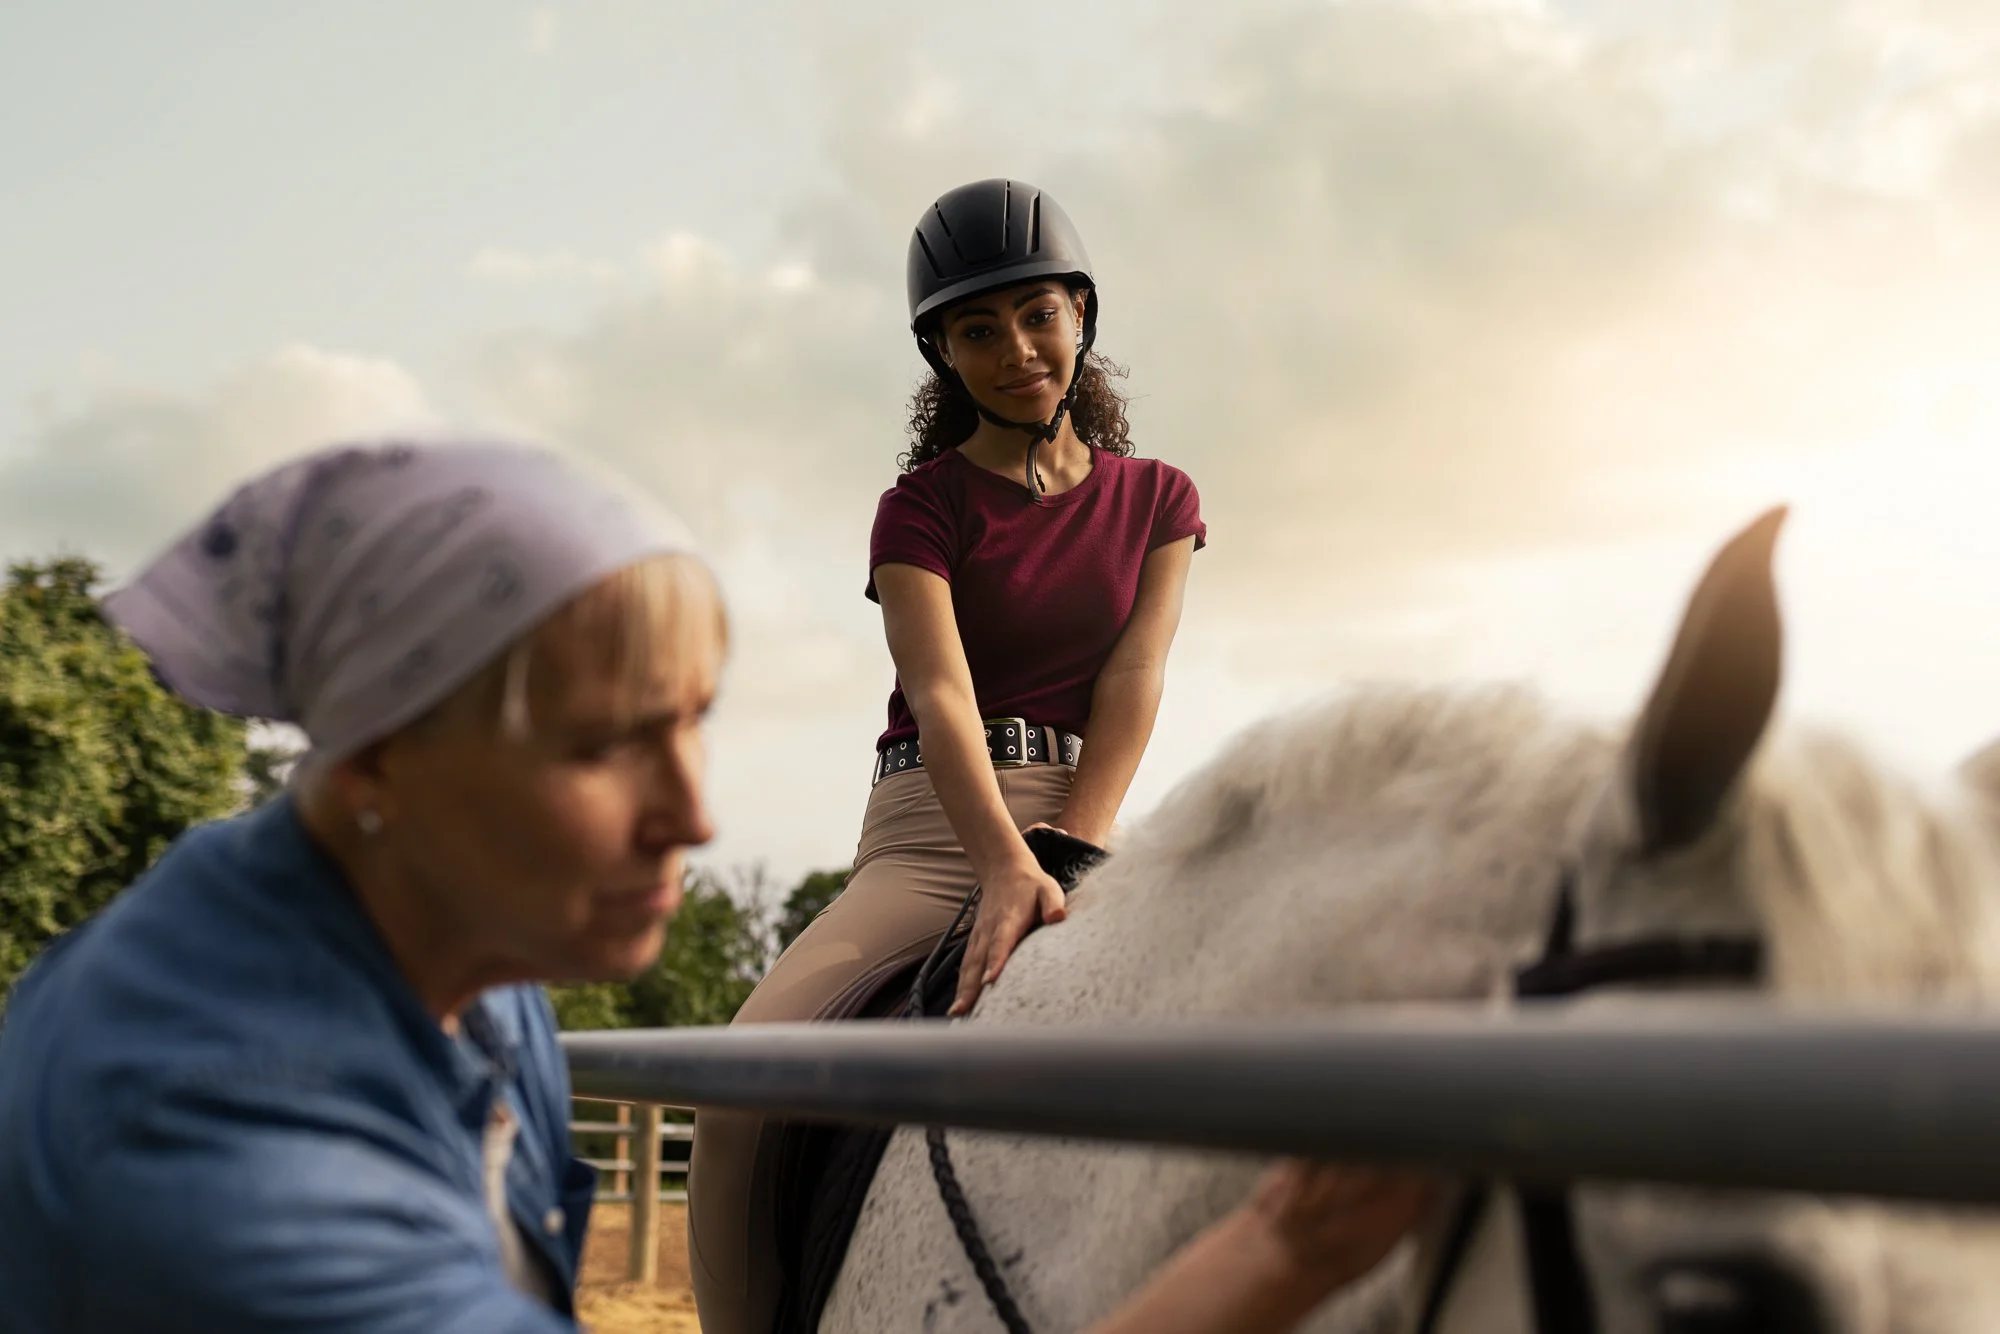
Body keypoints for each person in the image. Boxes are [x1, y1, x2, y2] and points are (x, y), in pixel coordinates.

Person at [0, 438, 726, 1332]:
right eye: (603, 744)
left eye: (696, 718)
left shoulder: (481, 966)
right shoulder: (226, 1162)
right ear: (376, 755)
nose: (695, 819)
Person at [686, 176, 1210, 1329]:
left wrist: (1071, 841)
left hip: (1084, 817)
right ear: (942, 352)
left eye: (1036, 315)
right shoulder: (917, 507)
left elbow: (1133, 677)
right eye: (978, 329)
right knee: (732, 1093)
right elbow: (938, 687)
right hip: (932, 834)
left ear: (1080, 314)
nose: (1016, 349)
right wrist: (999, 859)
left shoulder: (1161, 499)